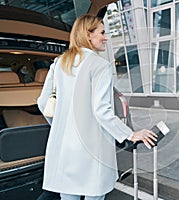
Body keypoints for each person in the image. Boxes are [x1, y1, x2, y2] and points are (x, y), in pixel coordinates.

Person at [37, 14, 157, 200]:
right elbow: (101, 111)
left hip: (64, 148)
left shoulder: (59, 63)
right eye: (102, 32)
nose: (106, 37)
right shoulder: (99, 65)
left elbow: (43, 102)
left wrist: (61, 126)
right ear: (88, 34)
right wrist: (130, 134)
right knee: (95, 195)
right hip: (91, 149)